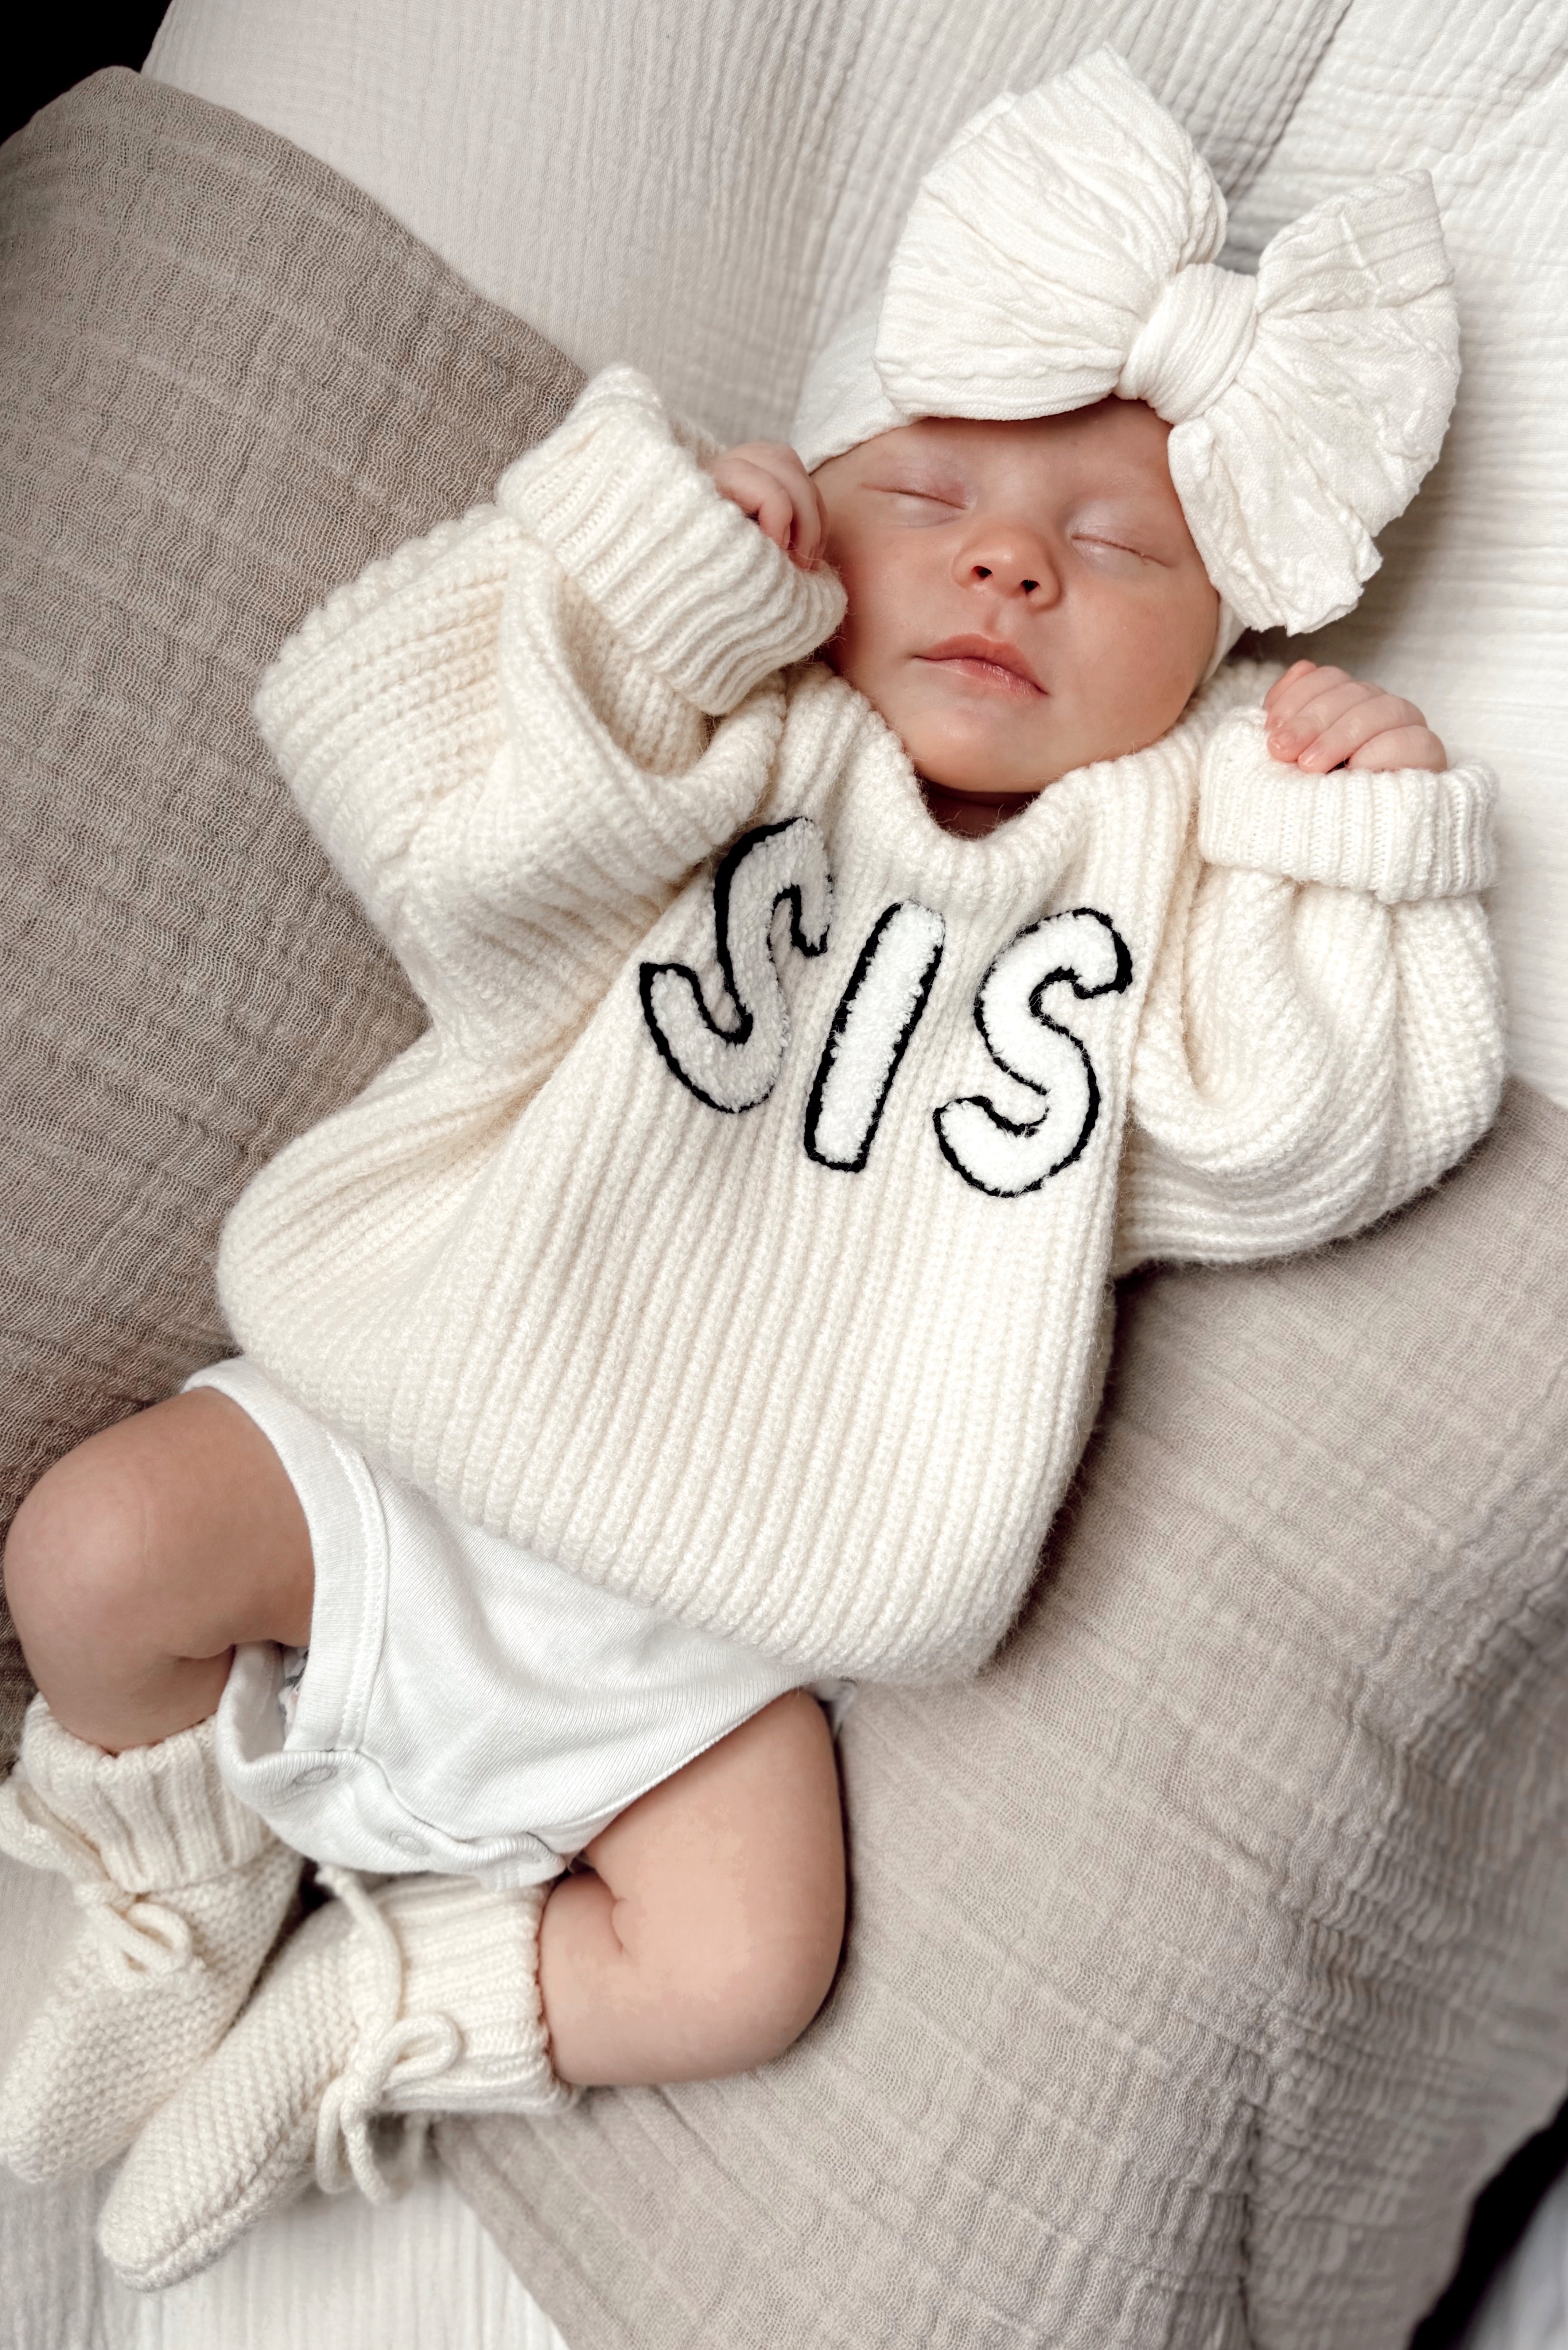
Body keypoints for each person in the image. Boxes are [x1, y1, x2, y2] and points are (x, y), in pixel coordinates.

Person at [0, 49, 1502, 2288]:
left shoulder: (1169, 867)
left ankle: (381, 2011)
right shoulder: (739, 731)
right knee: (95, 1553)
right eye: (933, 492)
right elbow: (442, 826)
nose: (1011, 559)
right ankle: (181, 1884)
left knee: (749, 1959)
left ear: (1223, 646)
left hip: (706, 1644)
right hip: (419, 1437)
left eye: (1117, 550)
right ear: (817, 501)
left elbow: (1293, 1142)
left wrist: (1349, 843)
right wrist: (664, 585)